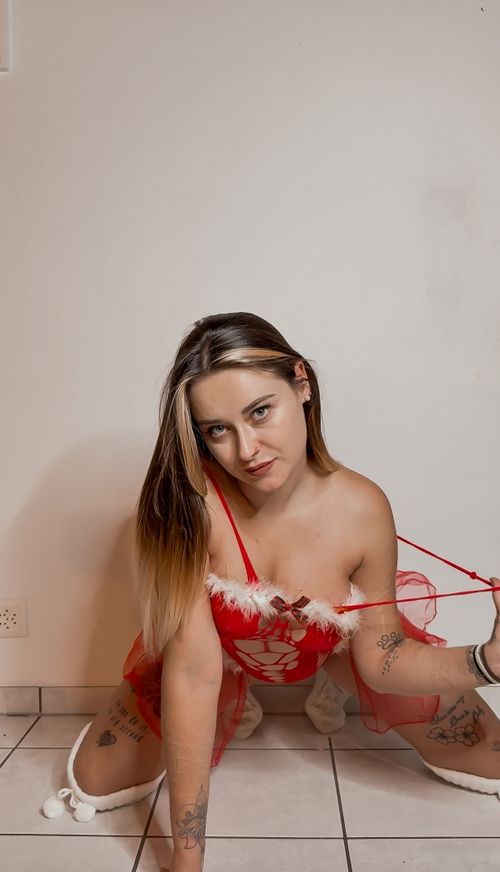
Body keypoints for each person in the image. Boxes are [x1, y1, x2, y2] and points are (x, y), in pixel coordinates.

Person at [42, 312, 500, 871]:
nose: (247, 450)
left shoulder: (363, 507)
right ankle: (244, 692)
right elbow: (193, 673)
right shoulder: (188, 507)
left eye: (260, 412)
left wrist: (487, 661)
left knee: (490, 753)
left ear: (301, 383)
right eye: (217, 430)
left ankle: (324, 684)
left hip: (329, 649)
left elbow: (381, 660)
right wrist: (186, 862)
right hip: (218, 654)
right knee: (92, 782)